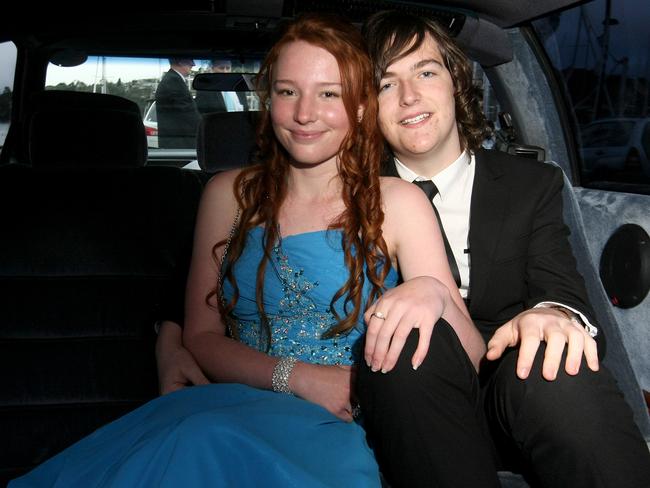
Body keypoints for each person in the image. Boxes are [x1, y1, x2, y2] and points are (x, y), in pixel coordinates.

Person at [10, 14, 486, 487]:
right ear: (268, 98)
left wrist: (434, 294)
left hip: (346, 424)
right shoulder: (227, 194)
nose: (304, 113)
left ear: (361, 106)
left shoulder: (398, 201)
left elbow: (468, 353)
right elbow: (201, 337)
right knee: (194, 442)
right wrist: (298, 378)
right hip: (226, 405)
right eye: (287, 91)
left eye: (329, 94)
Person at [355, 10, 650, 488]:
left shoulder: (530, 185)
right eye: (386, 84)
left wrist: (553, 314)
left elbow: (562, 288)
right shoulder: (354, 195)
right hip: (411, 400)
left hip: (513, 390)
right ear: (368, 105)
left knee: (554, 357)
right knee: (407, 346)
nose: (410, 96)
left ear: (455, 80)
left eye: (425, 72)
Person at [155, 58, 200, 148]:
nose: (193, 65)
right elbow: (188, 114)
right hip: (179, 144)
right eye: (190, 60)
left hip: (176, 143)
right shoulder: (173, 81)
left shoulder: (172, 79)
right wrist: (208, 126)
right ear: (180, 61)